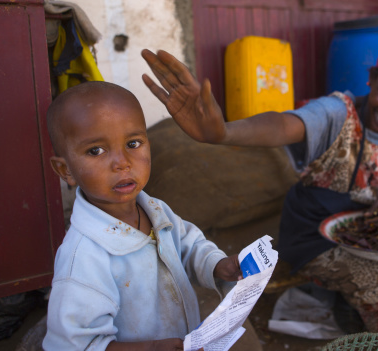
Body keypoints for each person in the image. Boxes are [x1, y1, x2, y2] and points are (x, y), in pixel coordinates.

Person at [140, 35, 378, 274]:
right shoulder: (337, 113)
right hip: (314, 238)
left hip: (365, 232)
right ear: (372, 78)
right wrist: (224, 133)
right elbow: (283, 123)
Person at [42, 81, 242, 351]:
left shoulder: (155, 209)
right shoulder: (83, 259)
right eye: (96, 151)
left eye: (133, 143)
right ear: (65, 170)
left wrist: (218, 264)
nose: (122, 162)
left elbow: (189, 245)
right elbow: (75, 346)